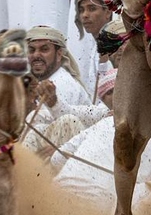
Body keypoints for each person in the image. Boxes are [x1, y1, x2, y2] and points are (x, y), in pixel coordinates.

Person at [22, 26, 102, 155]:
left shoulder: (62, 83)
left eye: (44, 49)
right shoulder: (41, 83)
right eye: (31, 50)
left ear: (59, 54)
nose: (36, 55)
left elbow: (38, 120)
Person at [69, 0, 116, 103]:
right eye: (81, 10)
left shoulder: (117, 45)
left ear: (108, 12)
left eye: (92, 8)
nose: (84, 15)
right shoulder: (97, 47)